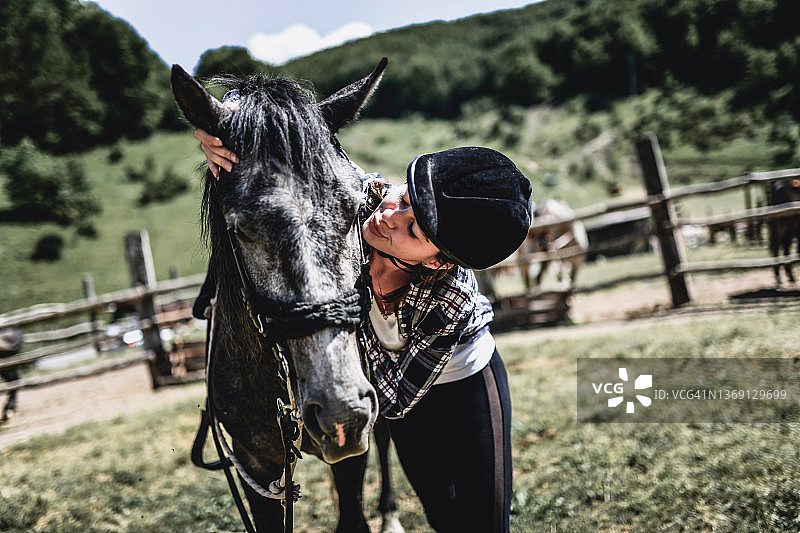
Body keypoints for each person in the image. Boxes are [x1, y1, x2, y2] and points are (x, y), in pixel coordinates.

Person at [195, 124, 532, 533]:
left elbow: (391, 401)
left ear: (437, 262)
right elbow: (303, 152)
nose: (390, 217)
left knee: (485, 522)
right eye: (405, 197)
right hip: (400, 391)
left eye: (413, 230)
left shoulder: (451, 302)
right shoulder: (363, 199)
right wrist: (227, 141)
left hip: (463, 383)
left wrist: (345, 343)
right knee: (441, 513)